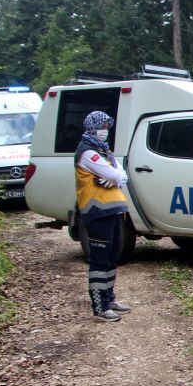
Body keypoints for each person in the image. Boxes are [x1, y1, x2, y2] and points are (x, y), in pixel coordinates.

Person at [75, 110, 131, 322]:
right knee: (99, 260)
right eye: (103, 126)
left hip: (113, 210)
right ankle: (100, 307)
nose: (106, 130)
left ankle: (109, 299)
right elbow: (115, 174)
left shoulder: (103, 151)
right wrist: (115, 177)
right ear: (93, 126)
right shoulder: (88, 152)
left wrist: (116, 177)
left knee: (111, 256)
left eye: (107, 127)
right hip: (97, 212)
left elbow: (121, 173)